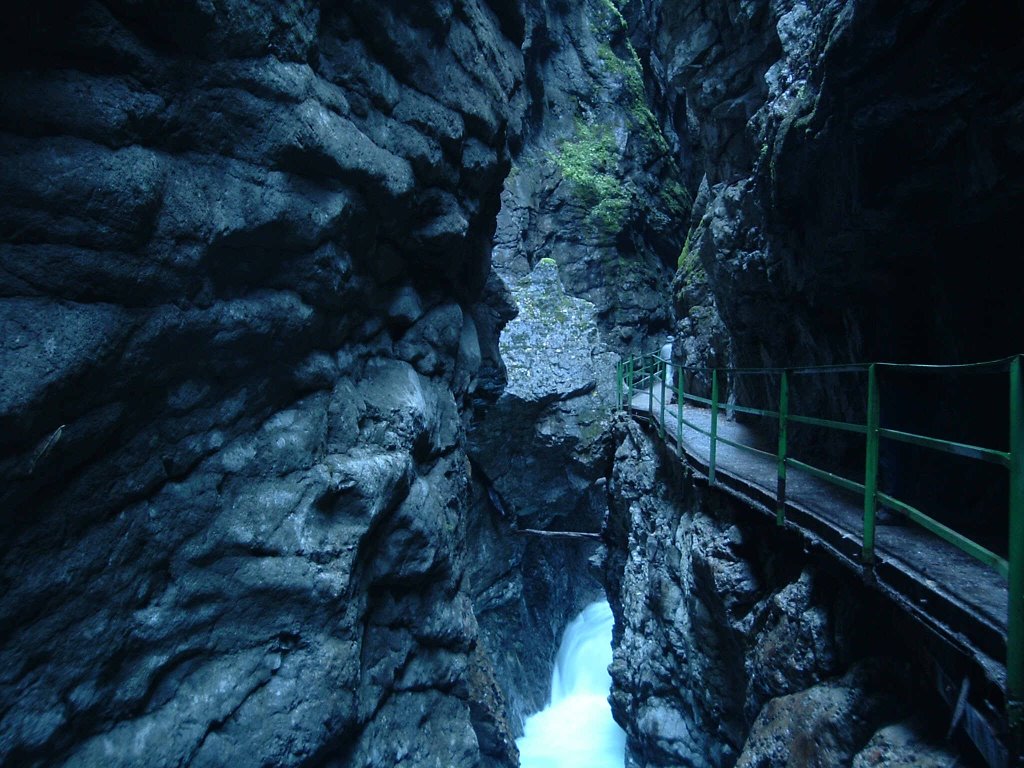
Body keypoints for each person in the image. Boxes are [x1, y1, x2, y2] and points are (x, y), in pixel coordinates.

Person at [660, 335, 675, 402]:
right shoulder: (673, 346)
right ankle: (671, 383)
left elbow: (661, 356)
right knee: (672, 372)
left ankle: (667, 383)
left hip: (666, 361)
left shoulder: (664, 347)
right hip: (672, 360)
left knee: (667, 372)